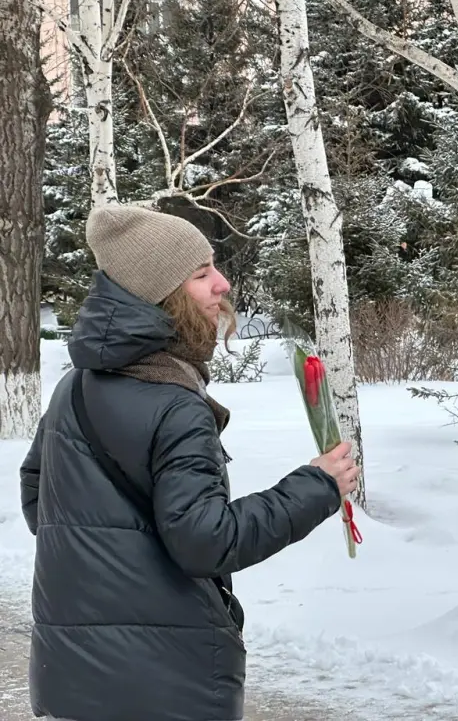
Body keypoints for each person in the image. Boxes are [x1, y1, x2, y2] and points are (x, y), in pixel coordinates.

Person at [19, 205, 359, 721]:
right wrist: (318, 486)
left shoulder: (76, 386)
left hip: (72, 680)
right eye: (201, 275)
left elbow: (35, 497)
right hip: (166, 686)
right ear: (162, 295)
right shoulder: (174, 403)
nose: (222, 284)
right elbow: (207, 541)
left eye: (214, 267)